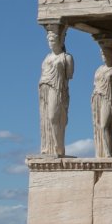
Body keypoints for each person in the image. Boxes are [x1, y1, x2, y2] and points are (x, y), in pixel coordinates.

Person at [37, 25, 73, 156]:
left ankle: (59, 145)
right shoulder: (47, 57)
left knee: (53, 117)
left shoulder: (67, 57)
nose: (50, 43)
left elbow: (69, 75)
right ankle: (49, 147)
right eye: (49, 41)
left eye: (53, 40)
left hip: (57, 88)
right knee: (46, 118)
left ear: (60, 41)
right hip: (44, 88)